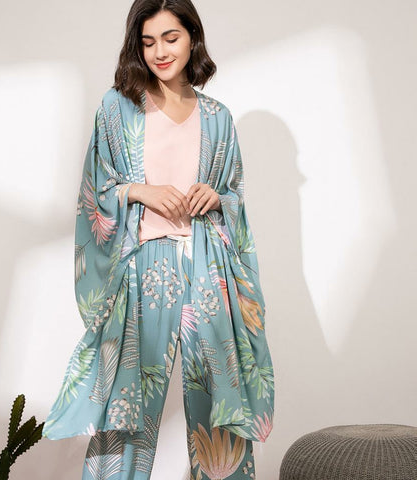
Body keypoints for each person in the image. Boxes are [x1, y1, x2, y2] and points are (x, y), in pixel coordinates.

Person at [42, 1, 275, 479]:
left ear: (192, 38)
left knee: (220, 413)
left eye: (171, 38)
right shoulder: (118, 107)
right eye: (148, 42)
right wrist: (137, 190)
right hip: (143, 268)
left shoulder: (217, 117)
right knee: (126, 409)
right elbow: (94, 191)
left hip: (209, 270)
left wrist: (218, 197)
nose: (160, 52)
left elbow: (234, 197)